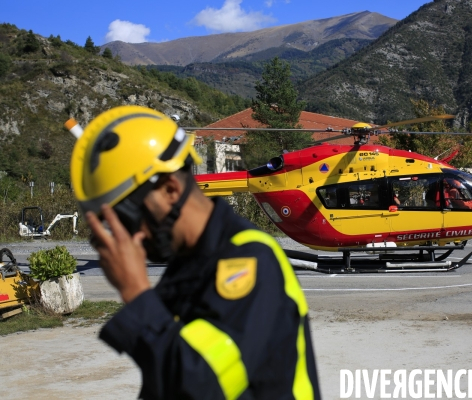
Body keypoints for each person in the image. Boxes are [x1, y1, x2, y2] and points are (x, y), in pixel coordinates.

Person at [69, 105, 321, 399]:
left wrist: (136, 293)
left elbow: (201, 386)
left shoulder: (250, 261)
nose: (131, 237)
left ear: (170, 189)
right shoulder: (186, 270)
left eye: (128, 219)